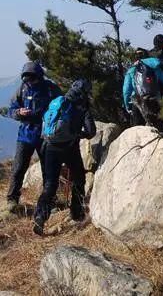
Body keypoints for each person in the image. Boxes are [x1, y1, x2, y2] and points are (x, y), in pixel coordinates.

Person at [33, 79, 96, 235]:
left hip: (50, 147)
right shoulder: (82, 107)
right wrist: (78, 133)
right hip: (70, 148)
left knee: (50, 185)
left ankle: (40, 217)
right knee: (79, 179)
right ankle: (77, 213)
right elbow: (91, 131)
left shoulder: (58, 101)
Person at [6, 61, 61, 211]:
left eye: (32, 78)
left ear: (39, 76)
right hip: (25, 135)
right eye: (27, 78)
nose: (30, 81)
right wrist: (18, 112)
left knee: (48, 170)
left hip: (45, 135)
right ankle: (12, 200)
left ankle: (49, 201)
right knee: (18, 168)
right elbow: (11, 109)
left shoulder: (50, 89)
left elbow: (62, 105)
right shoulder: (22, 89)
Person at [122, 47, 163, 127]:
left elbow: (126, 91)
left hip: (138, 103)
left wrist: (128, 106)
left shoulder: (131, 70)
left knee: (138, 130)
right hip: (155, 100)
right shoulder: (155, 67)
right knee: (159, 127)